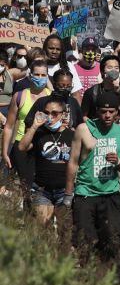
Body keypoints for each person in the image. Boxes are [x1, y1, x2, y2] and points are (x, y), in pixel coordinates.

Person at [67, 90, 120, 273]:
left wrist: (118, 162)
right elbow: (73, 162)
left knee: (111, 240)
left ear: (118, 112)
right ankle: (89, 279)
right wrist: (67, 193)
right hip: (85, 193)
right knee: (85, 240)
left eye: (112, 111)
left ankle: (108, 281)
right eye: (103, 111)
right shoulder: (84, 129)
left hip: (110, 195)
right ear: (97, 111)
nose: (107, 115)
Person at [20, 93, 74, 228]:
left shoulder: (72, 135)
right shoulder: (40, 133)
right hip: (42, 189)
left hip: (64, 190)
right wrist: (34, 126)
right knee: (42, 227)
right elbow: (22, 147)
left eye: (55, 113)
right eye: (47, 113)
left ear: (63, 114)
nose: (50, 117)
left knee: (64, 230)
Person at [3, 58, 52, 190]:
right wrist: (5, 152)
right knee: (25, 185)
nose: (40, 78)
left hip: (43, 145)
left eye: (43, 75)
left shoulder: (51, 96)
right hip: (21, 145)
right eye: (37, 74)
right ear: (30, 75)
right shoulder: (19, 96)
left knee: (41, 185)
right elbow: (9, 126)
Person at [80, 54, 120, 119]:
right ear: (102, 71)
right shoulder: (91, 93)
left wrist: (117, 91)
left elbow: (119, 114)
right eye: (110, 68)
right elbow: (83, 116)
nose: (113, 70)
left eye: (116, 68)